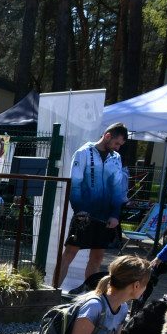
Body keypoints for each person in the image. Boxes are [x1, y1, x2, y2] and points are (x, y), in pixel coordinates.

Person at [57, 123, 129, 290]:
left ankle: (90, 296)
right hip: (84, 216)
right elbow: (75, 184)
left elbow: (117, 189)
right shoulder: (83, 153)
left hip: (104, 217)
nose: (118, 148)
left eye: (120, 146)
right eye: (117, 144)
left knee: (97, 257)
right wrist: (80, 210)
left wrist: (115, 214)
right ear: (108, 136)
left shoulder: (116, 158)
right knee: (69, 254)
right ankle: (53, 291)